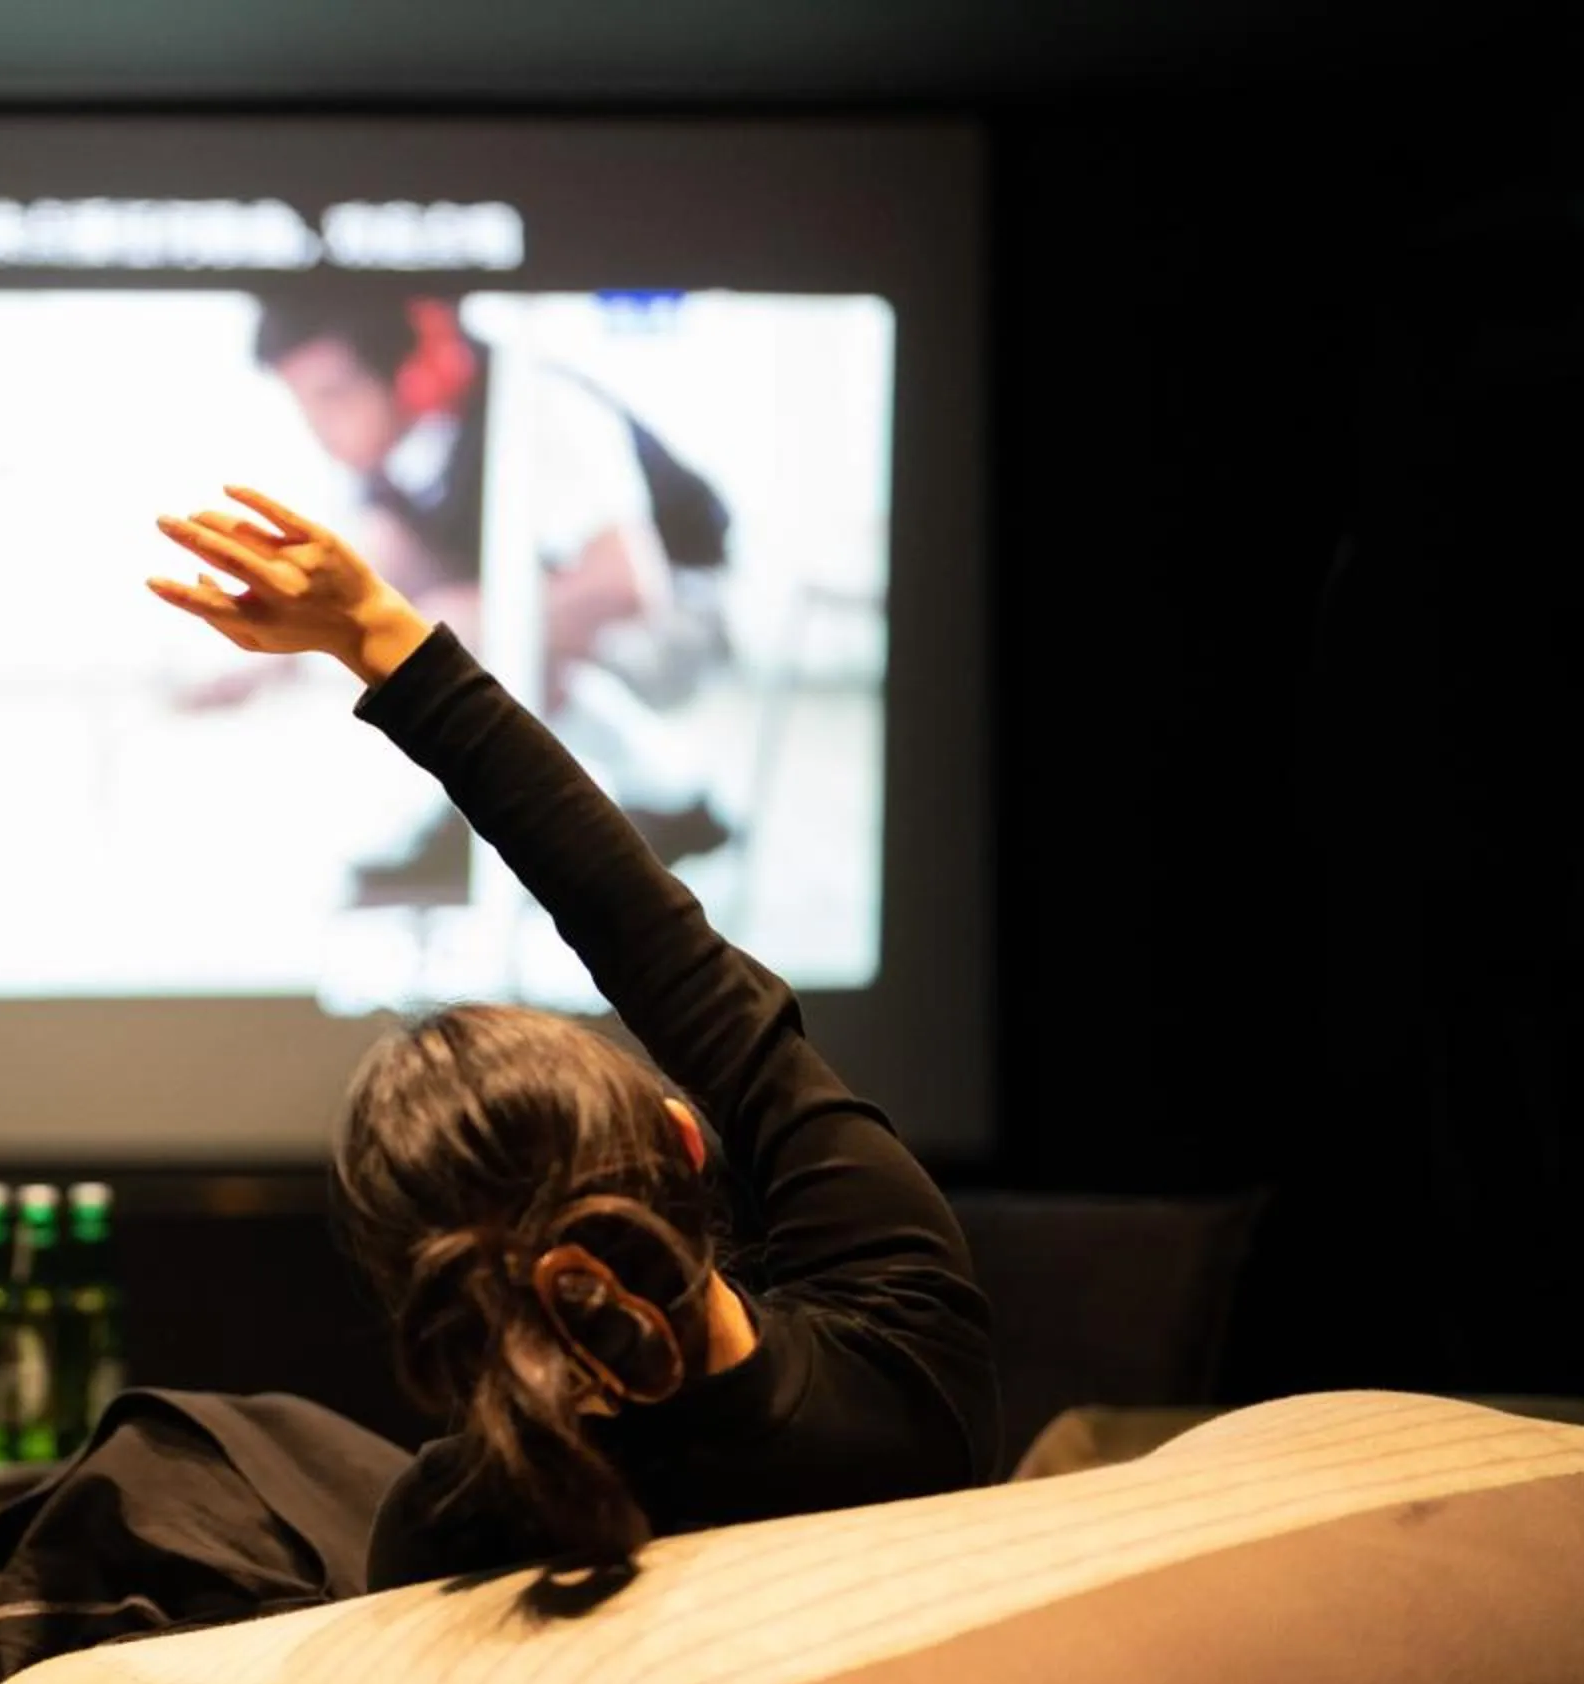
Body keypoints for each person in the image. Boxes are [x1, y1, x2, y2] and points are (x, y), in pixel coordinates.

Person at [148, 486, 995, 1597]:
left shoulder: (446, 1534)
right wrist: (387, 641)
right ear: (688, 1141)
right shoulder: (904, 1361)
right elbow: (655, 941)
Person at [190, 294, 733, 894]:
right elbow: (367, 584)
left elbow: (628, 586)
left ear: (421, 370)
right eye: (305, 404)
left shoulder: (534, 407)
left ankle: (675, 802)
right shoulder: (401, 459)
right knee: (425, 623)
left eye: (334, 396)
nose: (321, 429)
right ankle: (496, 813)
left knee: (451, 635)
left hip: (688, 614)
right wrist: (258, 654)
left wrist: (465, 620)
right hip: (573, 617)